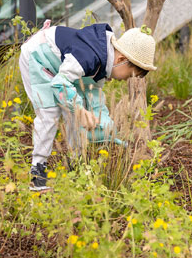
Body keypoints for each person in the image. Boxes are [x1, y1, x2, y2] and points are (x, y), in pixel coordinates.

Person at [18, 21, 157, 191]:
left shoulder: (104, 64)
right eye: (129, 75)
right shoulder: (87, 56)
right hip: (39, 57)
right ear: (121, 59)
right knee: (50, 113)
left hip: (60, 69)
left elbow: (94, 98)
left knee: (75, 111)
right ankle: (37, 170)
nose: (126, 80)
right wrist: (79, 109)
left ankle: (76, 163)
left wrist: (106, 127)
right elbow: (60, 83)